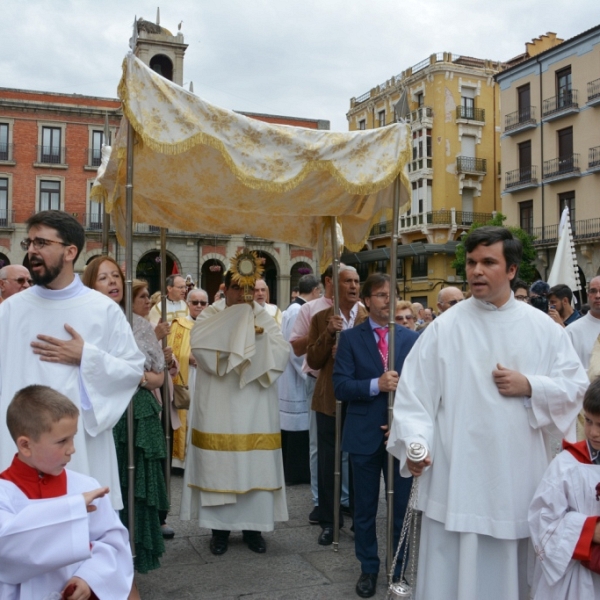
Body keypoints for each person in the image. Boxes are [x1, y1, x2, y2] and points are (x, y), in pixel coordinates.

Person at [387, 226, 589, 600]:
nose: (476, 270)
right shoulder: (443, 329)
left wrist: (531, 385)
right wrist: (416, 443)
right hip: (455, 474)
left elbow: (575, 388)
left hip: (516, 477)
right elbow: (414, 397)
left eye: (488, 262)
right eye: (472, 262)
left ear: (511, 270)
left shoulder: (544, 329)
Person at [0, 210, 144, 511]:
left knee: (82, 536)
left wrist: (86, 358)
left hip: (81, 450)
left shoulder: (102, 310)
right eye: (30, 242)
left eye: (42, 243)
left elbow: (132, 370)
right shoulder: (10, 310)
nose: (32, 251)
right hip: (17, 444)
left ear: (70, 251)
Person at [180, 264, 290, 555]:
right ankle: (220, 531)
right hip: (220, 403)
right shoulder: (210, 315)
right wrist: (234, 345)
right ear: (225, 290)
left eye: (249, 290)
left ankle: (255, 530)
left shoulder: (262, 315)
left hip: (255, 403)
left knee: (256, 465)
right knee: (221, 468)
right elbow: (201, 349)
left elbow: (281, 352)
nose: (244, 295)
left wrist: (255, 345)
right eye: (238, 289)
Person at [0, 384, 133, 599]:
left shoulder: (85, 487)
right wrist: (72, 509)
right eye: (62, 441)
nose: (72, 449)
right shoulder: (4, 495)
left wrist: (89, 578)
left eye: (73, 438)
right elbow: (7, 549)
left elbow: (112, 542)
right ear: (25, 445)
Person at [333, 274, 419, 598]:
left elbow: (423, 388)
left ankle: (398, 569)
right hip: (364, 433)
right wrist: (375, 385)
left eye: (391, 294)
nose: (387, 300)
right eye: (381, 295)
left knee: (399, 508)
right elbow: (340, 386)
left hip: (401, 433)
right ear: (366, 301)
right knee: (365, 508)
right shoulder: (351, 339)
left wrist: (400, 418)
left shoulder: (411, 339)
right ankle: (368, 568)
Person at [82, 258, 169, 574]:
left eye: (115, 276)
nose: (112, 282)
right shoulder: (85, 320)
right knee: (106, 482)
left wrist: (138, 378)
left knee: (137, 487)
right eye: (103, 278)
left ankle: (133, 556)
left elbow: (158, 376)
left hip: (138, 411)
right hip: (104, 414)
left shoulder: (140, 324)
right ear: (91, 284)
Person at [307, 265, 368, 545]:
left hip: (359, 401)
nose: (354, 286)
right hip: (328, 399)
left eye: (357, 281)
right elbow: (313, 360)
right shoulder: (322, 318)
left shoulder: (370, 318)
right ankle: (329, 521)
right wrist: (328, 335)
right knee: (329, 463)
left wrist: (348, 355)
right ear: (336, 286)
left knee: (359, 463)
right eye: (348, 282)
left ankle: (359, 519)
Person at [528, 377, 600, 599]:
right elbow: (542, 518)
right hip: (576, 582)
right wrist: (590, 530)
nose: (593, 432)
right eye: (588, 421)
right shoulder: (567, 464)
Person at [278, 274, 321, 485]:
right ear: (314, 291)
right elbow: (295, 349)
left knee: (298, 426)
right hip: (297, 378)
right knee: (297, 425)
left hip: (294, 376)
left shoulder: (293, 308)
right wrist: (310, 371)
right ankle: (296, 473)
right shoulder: (297, 311)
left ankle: (297, 471)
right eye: (319, 292)